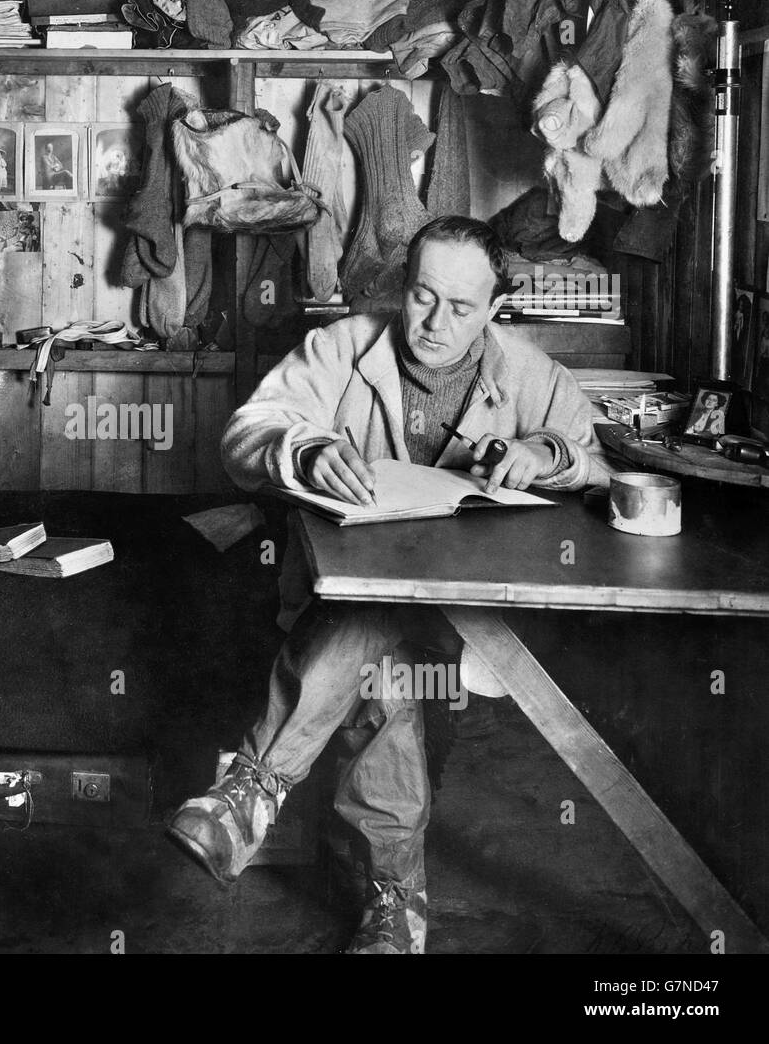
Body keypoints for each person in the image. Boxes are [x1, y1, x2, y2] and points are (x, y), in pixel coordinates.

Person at [167, 215, 611, 954]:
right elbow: (245, 434)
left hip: (469, 622)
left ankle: (252, 788)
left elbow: (594, 459)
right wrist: (303, 451)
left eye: (462, 308)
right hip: (361, 613)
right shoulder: (343, 344)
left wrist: (546, 450)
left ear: (497, 307)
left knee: (379, 636)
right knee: (387, 670)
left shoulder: (531, 372)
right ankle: (397, 907)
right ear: (403, 286)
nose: (434, 323)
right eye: (422, 296)